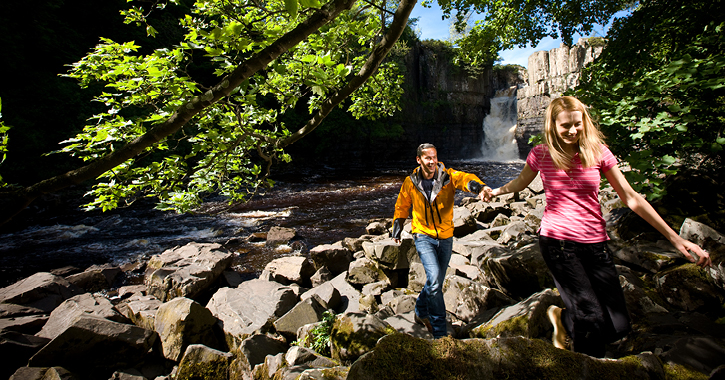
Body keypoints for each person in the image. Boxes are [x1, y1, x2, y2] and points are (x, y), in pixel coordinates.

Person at [482, 96, 711, 357]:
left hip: (596, 244)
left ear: (584, 122)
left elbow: (632, 198)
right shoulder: (541, 154)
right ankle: (584, 365)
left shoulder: (598, 152)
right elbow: (521, 182)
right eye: (565, 125)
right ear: (552, 126)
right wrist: (496, 191)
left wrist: (676, 239)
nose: (572, 131)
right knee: (591, 319)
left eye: (577, 124)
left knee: (618, 328)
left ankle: (564, 318)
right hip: (559, 244)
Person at [392, 143, 492, 339]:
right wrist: (397, 228)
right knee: (436, 280)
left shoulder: (447, 176)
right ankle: (439, 331)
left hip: (446, 236)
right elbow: (402, 205)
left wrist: (479, 187)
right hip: (423, 236)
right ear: (419, 160)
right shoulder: (410, 182)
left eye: (435, 157)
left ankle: (420, 309)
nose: (432, 161)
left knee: (435, 281)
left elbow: (465, 179)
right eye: (428, 158)